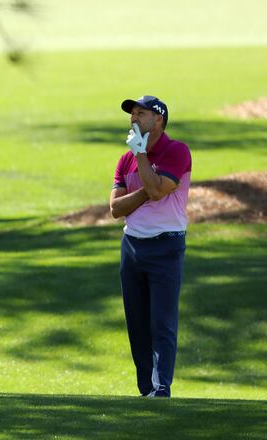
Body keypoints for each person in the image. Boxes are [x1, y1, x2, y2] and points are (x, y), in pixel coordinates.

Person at [109, 95, 192, 398]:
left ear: (158, 119)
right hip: (131, 246)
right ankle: (146, 390)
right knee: (137, 323)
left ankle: (162, 388)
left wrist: (143, 159)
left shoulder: (177, 151)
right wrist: (147, 187)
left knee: (162, 321)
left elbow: (159, 191)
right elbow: (116, 209)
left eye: (140, 113)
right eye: (131, 114)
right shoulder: (126, 158)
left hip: (166, 247)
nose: (133, 118)